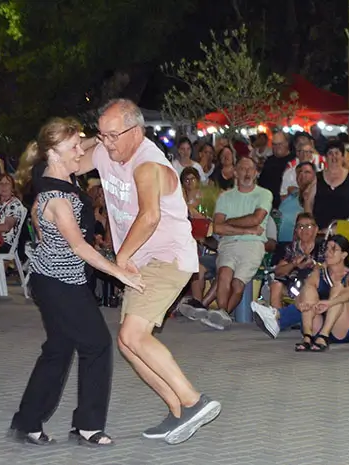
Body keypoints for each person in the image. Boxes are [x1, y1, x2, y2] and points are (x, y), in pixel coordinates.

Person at [86, 99, 221, 445]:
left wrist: (120, 258)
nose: (107, 143)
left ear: (136, 131)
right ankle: (178, 412)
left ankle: (193, 401)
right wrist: (72, 144)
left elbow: (150, 217)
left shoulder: (149, 164)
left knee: (133, 336)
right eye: (102, 135)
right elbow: (69, 160)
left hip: (166, 257)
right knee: (127, 342)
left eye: (113, 135)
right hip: (141, 260)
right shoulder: (104, 151)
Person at [8, 117, 144, 447]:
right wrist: (119, 272)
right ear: (54, 153)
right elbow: (80, 247)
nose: (80, 152)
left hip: (53, 278)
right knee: (97, 344)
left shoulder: (53, 175)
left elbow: (82, 147)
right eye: (73, 147)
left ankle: (27, 421)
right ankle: (87, 426)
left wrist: (104, 136)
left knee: (58, 349)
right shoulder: (57, 197)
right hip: (60, 284)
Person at [191, 156, 271, 329]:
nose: (247, 173)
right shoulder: (225, 197)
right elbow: (218, 228)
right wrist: (247, 230)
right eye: (242, 169)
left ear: (256, 173)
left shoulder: (264, 194)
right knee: (224, 274)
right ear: (235, 172)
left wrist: (230, 222)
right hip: (228, 243)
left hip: (253, 245)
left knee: (237, 284)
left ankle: (222, 314)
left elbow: (256, 219)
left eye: (250, 169)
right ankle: (221, 312)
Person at [251, 234, 349, 350]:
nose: (328, 252)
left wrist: (329, 303)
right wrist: (299, 303)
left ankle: (322, 335)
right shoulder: (318, 273)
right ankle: (307, 337)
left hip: (344, 327)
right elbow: (303, 292)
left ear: (344, 255)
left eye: (333, 249)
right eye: (327, 249)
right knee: (308, 290)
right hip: (319, 324)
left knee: (337, 289)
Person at [266, 212, 325, 309]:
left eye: (308, 226)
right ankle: (275, 317)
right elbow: (278, 272)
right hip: (293, 286)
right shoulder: (292, 248)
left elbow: (329, 268)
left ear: (316, 229)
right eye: (300, 226)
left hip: (315, 287)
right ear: (296, 230)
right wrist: (294, 264)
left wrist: (314, 265)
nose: (304, 230)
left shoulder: (323, 246)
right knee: (276, 285)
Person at [305, 140, 349, 229]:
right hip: (320, 230)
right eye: (330, 153)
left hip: (344, 229)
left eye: (337, 153)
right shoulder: (317, 177)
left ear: (342, 157)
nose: (334, 156)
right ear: (325, 157)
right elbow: (308, 203)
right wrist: (310, 225)